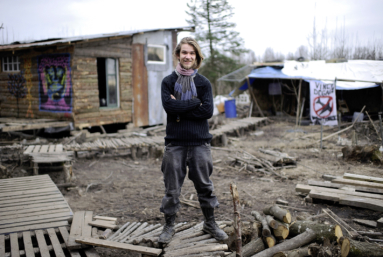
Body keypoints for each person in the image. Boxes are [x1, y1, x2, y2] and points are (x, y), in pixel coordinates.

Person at [158, 37, 228, 244]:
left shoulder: (203, 83)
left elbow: (207, 111)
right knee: (172, 189)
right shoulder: (168, 82)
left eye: (192, 53)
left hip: (199, 143)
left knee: (205, 186)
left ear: (196, 57)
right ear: (178, 54)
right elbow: (169, 108)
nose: (188, 56)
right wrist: (194, 103)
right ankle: (169, 225)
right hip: (175, 143)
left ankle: (210, 222)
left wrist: (180, 106)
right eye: (184, 52)